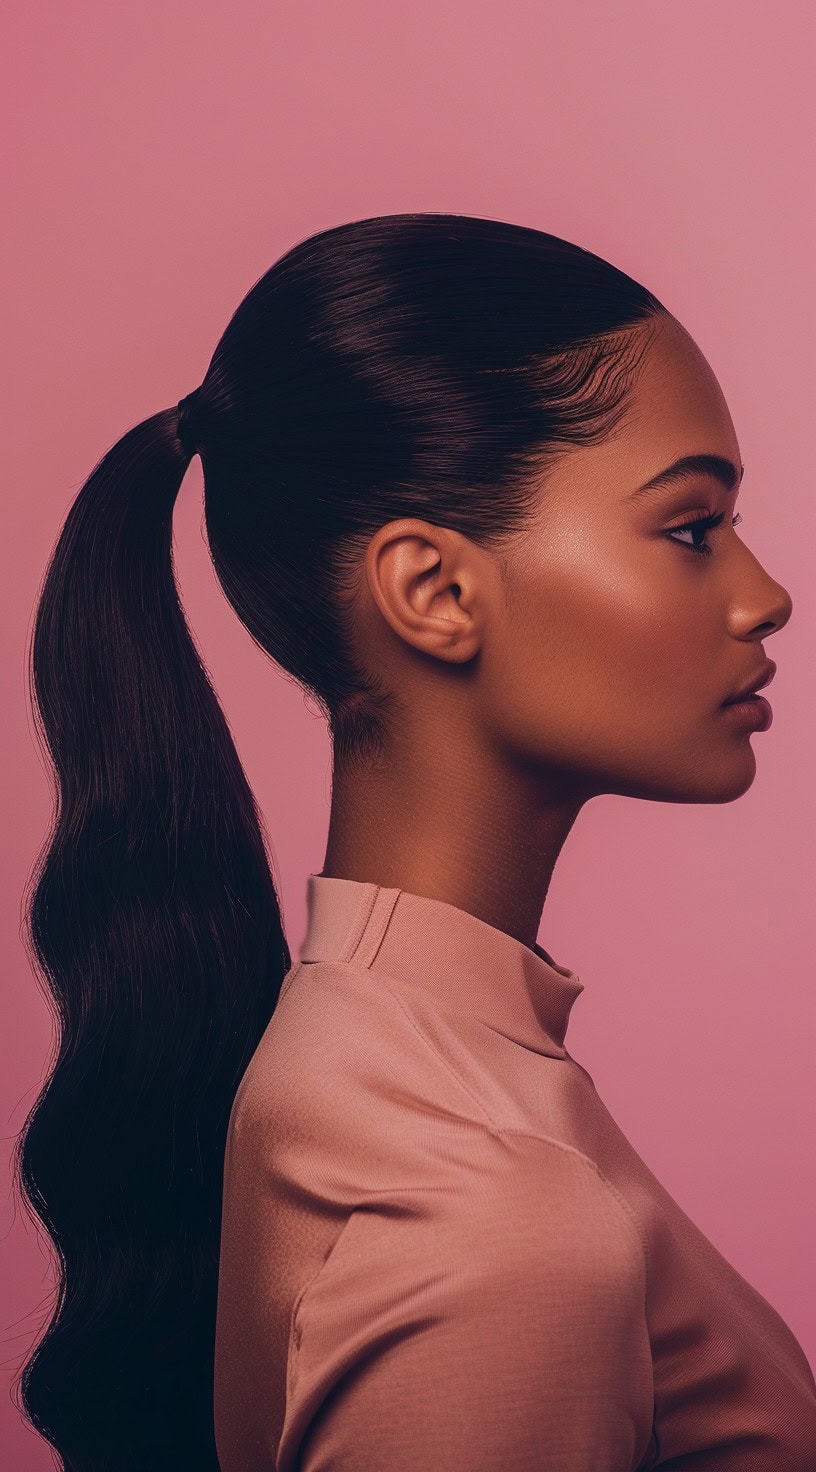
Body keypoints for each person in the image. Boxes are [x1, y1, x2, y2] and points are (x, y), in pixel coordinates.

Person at [15, 213, 815, 1471]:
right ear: (435, 592)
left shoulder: (377, 1071)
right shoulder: (492, 1213)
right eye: (689, 526)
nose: (765, 593)